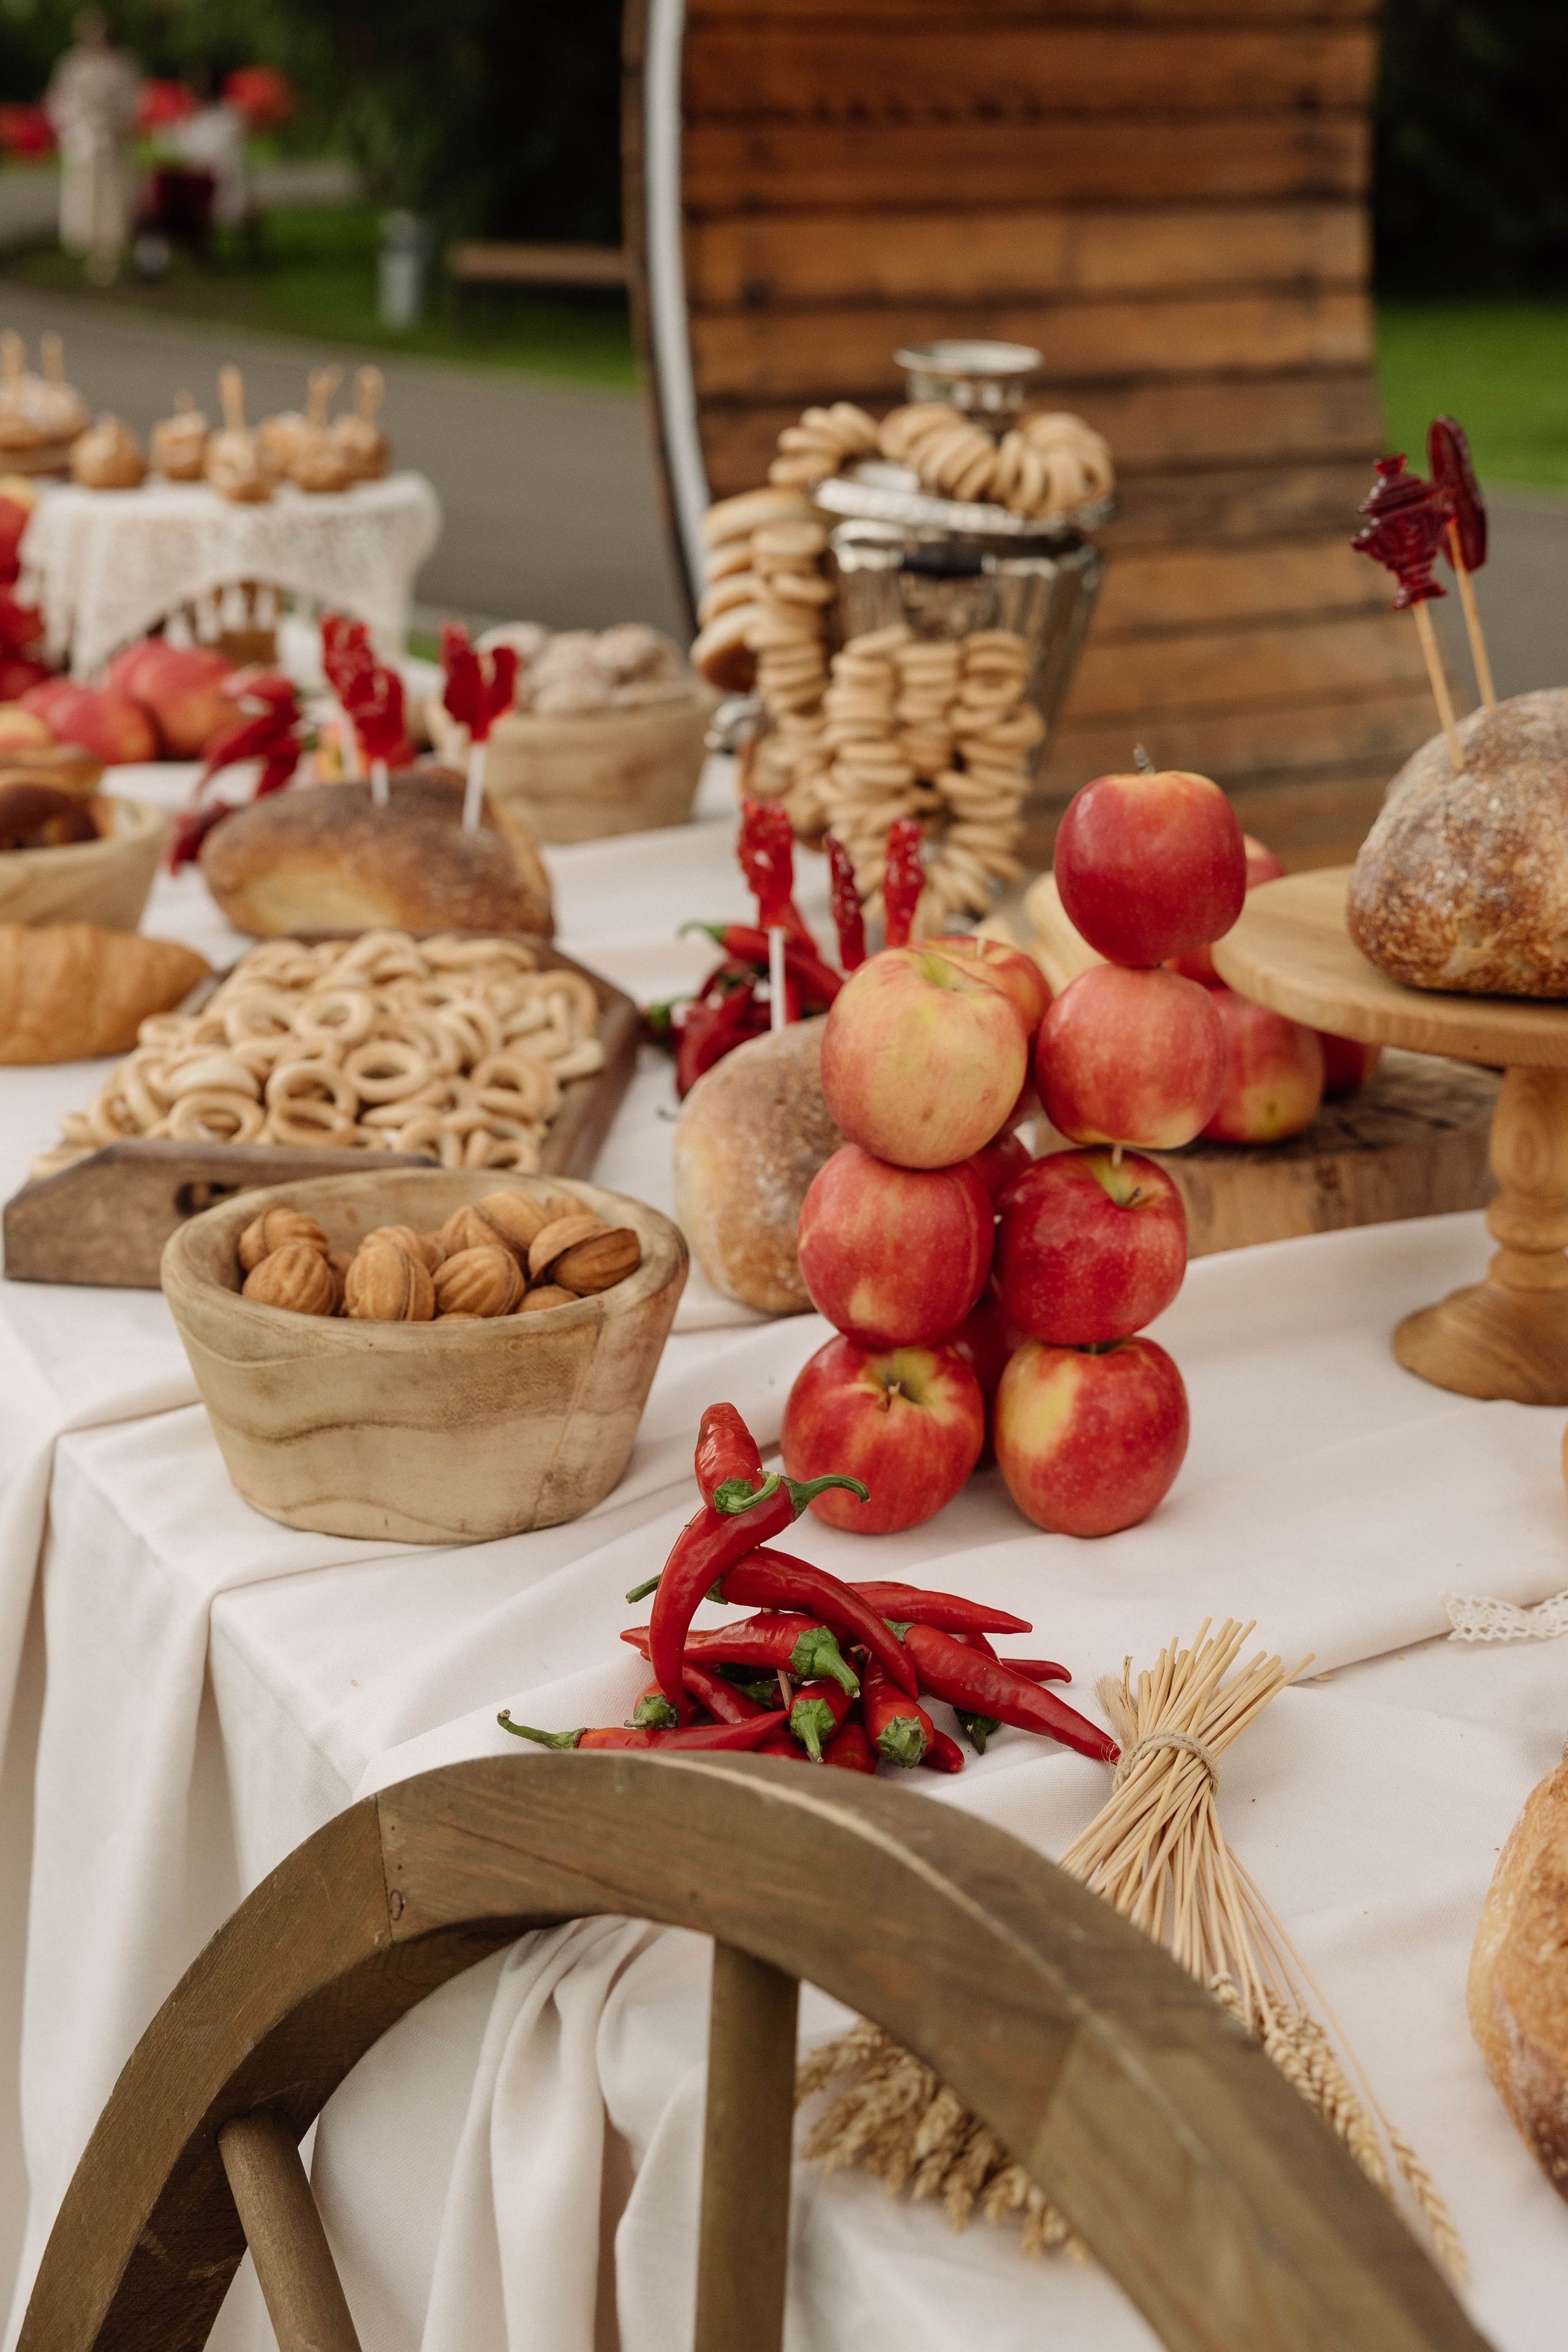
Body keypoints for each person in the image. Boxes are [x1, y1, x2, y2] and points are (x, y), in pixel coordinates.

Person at [44, 9, 141, 285]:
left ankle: (108, 251)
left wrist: (115, 124)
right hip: (82, 140)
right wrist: (74, 128)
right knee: (84, 195)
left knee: (111, 199)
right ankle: (84, 245)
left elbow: (131, 102)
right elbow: (59, 100)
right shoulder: (71, 64)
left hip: (111, 142)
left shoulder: (121, 64)